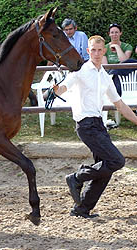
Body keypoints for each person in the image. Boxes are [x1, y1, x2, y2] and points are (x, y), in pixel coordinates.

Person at [53, 35, 137, 218]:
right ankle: (76, 177)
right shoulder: (80, 70)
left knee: (105, 169)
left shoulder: (105, 76)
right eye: (93, 50)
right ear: (88, 51)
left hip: (98, 125)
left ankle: (81, 209)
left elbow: (120, 105)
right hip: (86, 125)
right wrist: (56, 90)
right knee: (117, 161)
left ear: (104, 51)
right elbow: (65, 86)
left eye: (100, 50)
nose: (97, 53)